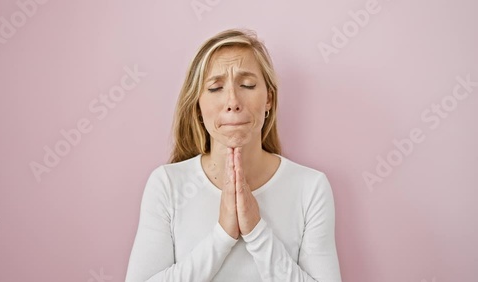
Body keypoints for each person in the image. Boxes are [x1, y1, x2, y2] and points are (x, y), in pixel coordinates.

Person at [124, 29, 342, 282]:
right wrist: (223, 235)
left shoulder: (311, 187)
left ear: (269, 98)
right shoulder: (166, 184)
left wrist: (257, 232)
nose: (232, 101)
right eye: (215, 88)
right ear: (198, 105)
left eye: (247, 85)